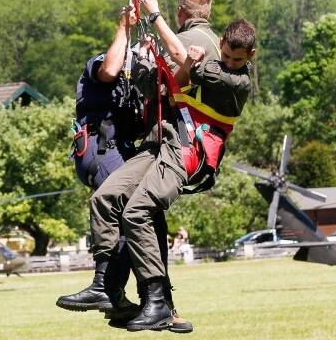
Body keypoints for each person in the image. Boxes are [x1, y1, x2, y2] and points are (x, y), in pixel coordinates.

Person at [59, 0, 227, 332]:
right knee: (129, 211)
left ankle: (147, 302)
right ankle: (111, 289)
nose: (134, 63)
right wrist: (125, 27)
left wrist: (156, 71)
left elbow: (160, 97)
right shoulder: (100, 67)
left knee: (145, 216)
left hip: (131, 150)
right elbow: (110, 68)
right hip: (101, 150)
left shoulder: (133, 88)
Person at [87, 18, 256, 331]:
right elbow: (170, 86)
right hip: (165, 142)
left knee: (137, 213)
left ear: (251, 56)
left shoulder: (235, 79)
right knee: (105, 198)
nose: (233, 63)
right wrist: (147, 57)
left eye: (239, 59)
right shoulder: (211, 65)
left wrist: (153, 17)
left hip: (190, 150)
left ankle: (158, 302)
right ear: (221, 45)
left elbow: (181, 57)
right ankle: (105, 286)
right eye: (229, 56)